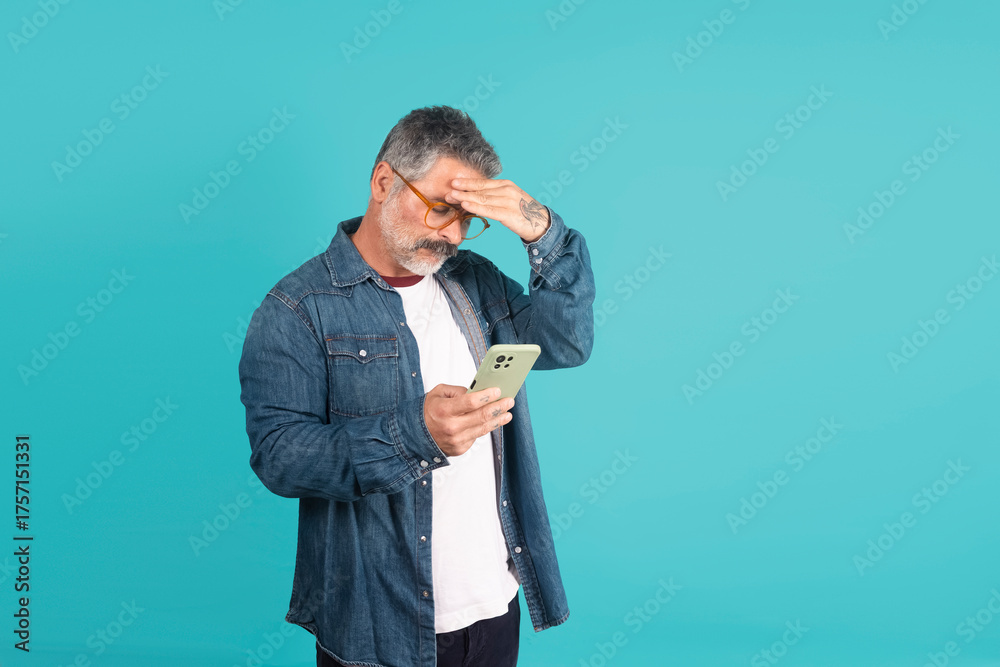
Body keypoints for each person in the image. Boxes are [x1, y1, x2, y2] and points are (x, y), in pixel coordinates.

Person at [238, 105, 595, 667]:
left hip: (494, 606)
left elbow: (565, 344)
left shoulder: (473, 280)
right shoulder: (297, 308)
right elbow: (279, 458)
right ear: (384, 181)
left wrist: (544, 233)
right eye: (440, 208)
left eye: (467, 217)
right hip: (377, 624)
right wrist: (413, 435)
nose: (453, 234)